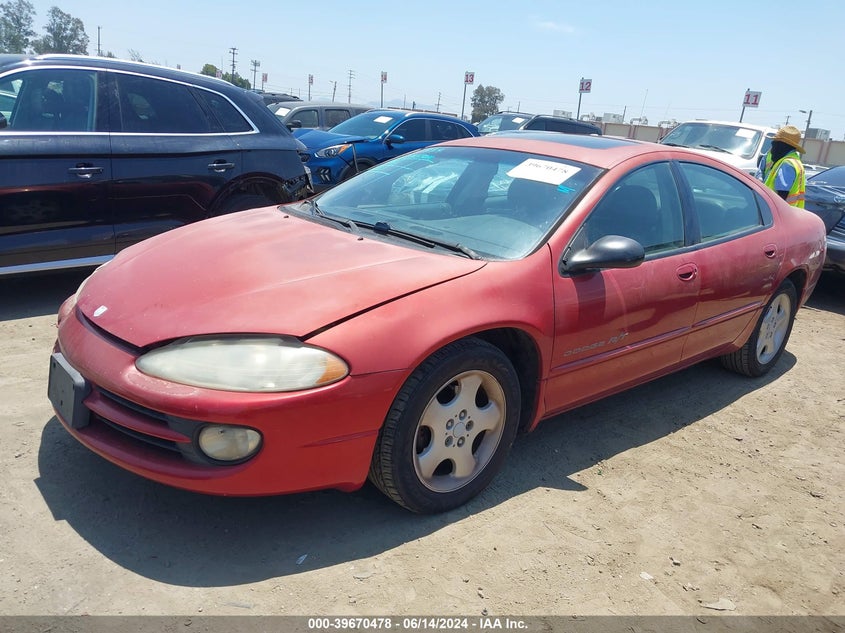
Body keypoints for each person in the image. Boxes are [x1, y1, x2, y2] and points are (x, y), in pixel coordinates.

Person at [758, 125, 806, 208]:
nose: (772, 150)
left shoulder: (787, 164)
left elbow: (781, 195)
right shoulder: (795, 161)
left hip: (777, 212)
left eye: (774, 145)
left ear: (781, 146)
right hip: (791, 213)